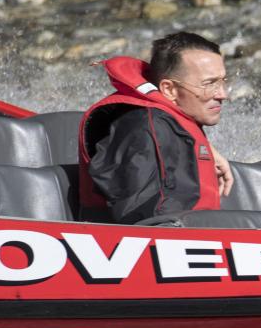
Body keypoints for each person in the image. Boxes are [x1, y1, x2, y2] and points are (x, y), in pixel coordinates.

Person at [79, 32, 234, 224]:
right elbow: (148, 224)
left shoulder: (164, 122)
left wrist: (204, 148)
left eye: (223, 81)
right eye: (209, 84)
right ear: (169, 89)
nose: (223, 94)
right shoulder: (141, 129)